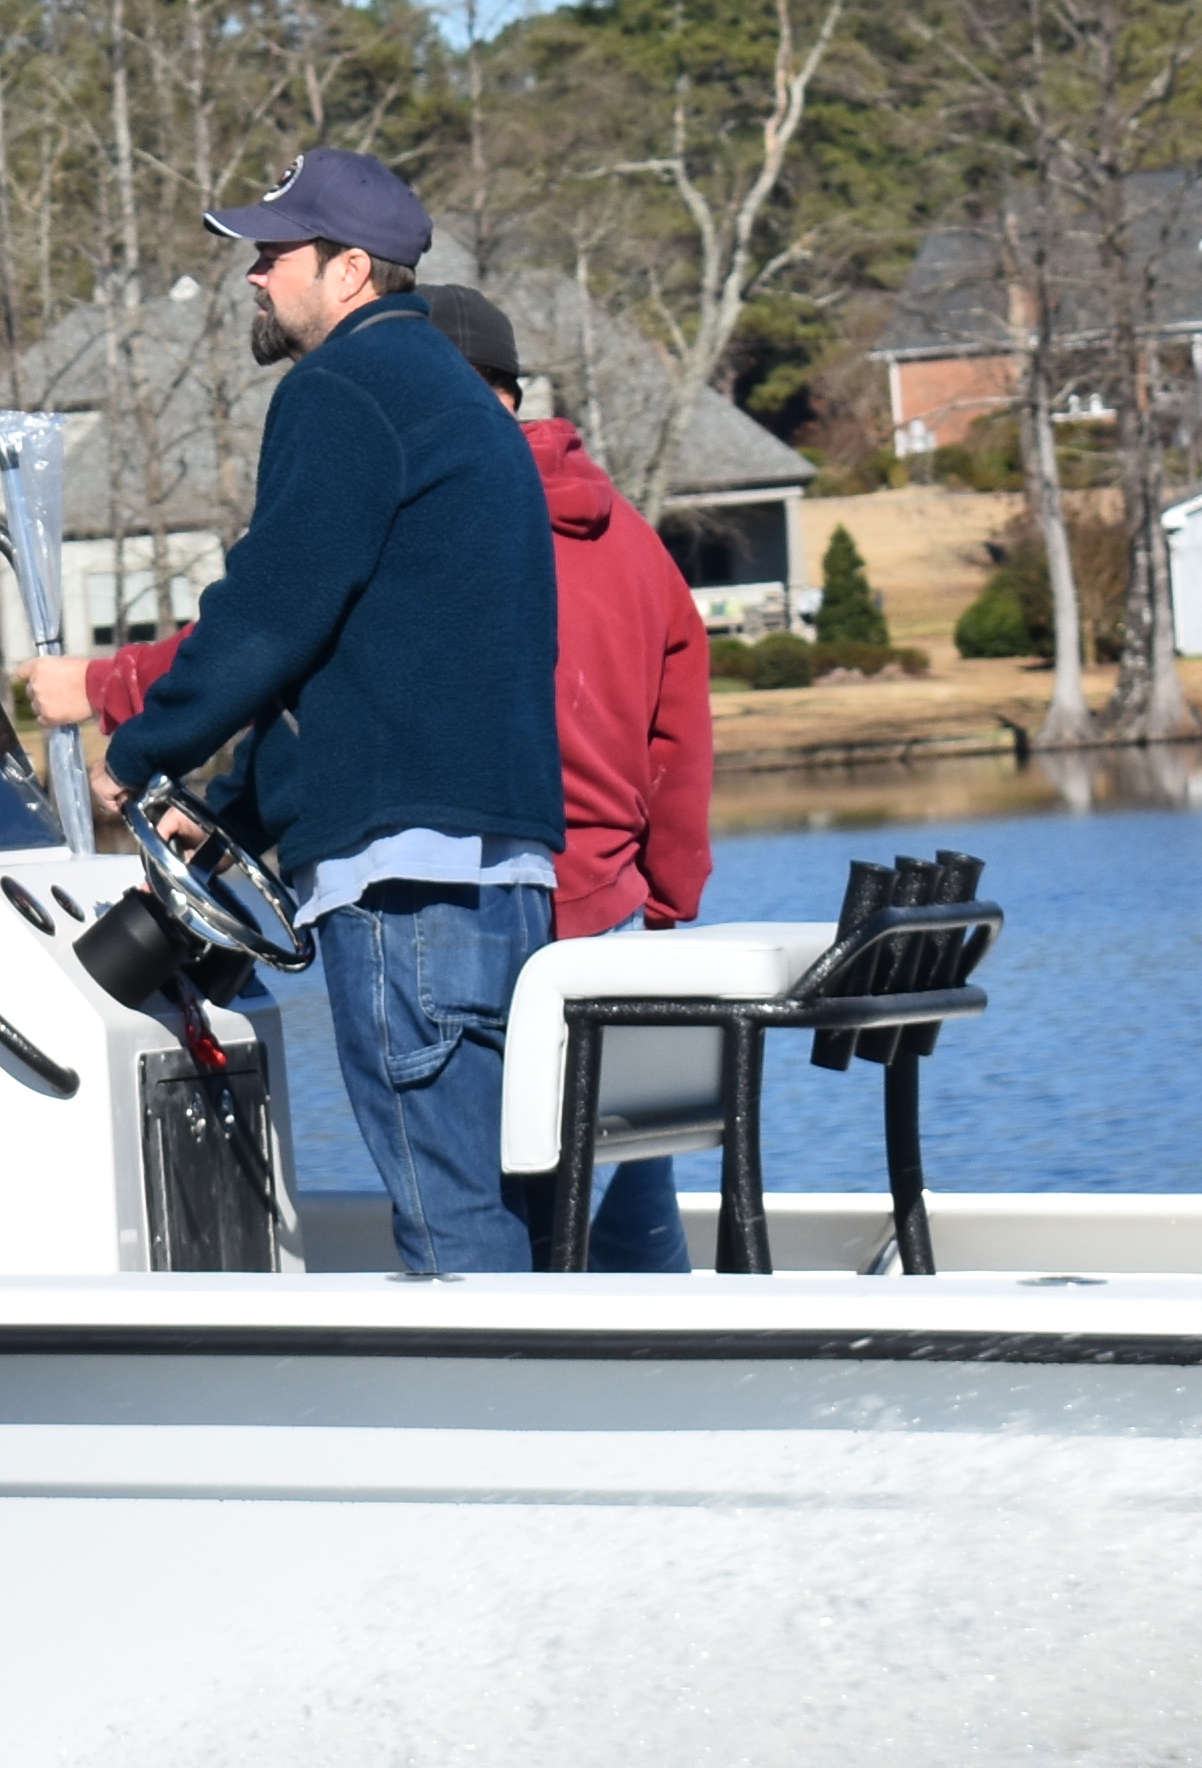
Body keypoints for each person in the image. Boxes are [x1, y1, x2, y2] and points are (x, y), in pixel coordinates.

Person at [45, 279, 714, 1268]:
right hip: (601, 927)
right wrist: (660, 915)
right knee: (590, 1221)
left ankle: (527, 1402)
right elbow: (682, 752)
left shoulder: (441, 525)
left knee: (468, 1214)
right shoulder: (637, 547)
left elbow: (315, 673)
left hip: (456, 905)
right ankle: (651, 1390)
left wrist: (135, 715)